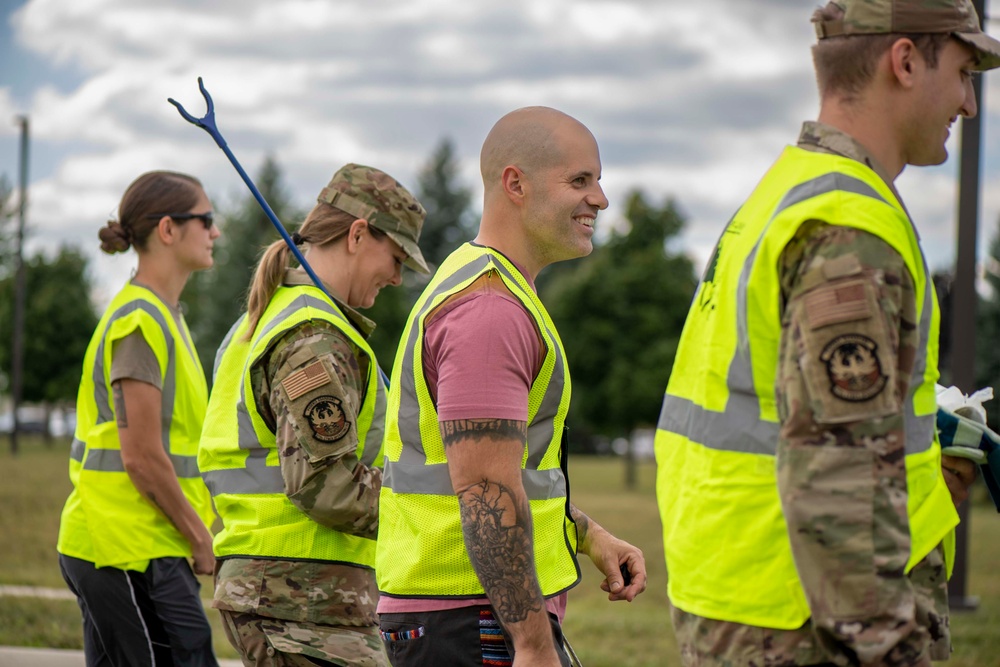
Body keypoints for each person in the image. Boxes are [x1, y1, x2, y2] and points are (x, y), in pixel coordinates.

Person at [653, 1, 1000, 665]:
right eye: (963, 71)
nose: (970, 101)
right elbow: (836, 473)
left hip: (746, 600)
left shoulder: (781, 195)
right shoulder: (849, 225)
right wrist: (889, 647)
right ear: (904, 62)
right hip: (806, 625)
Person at [375, 107, 648, 667]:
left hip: (465, 614)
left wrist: (589, 537)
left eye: (597, 180)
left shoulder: (491, 289)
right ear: (516, 184)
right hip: (472, 621)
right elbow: (483, 490)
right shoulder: (489, 311)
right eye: (580, 180)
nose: (599, 198)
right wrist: (531, 645)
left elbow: (511, 475)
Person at [197, 164, 429, 667]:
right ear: (357, 234)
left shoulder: (272, 315)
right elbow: (328, 488)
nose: (395, 276)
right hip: (299, 597)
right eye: (395, 258)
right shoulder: (313, 336)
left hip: (293, 594)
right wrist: (430, 510)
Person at [57, 170, 222, 666]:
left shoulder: (163, 316)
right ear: (168, 230)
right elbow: (142, 458)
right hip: (125, 548)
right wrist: (200, 537)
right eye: (207, 219)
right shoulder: (140, 323)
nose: (216, 232)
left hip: (140, 544)